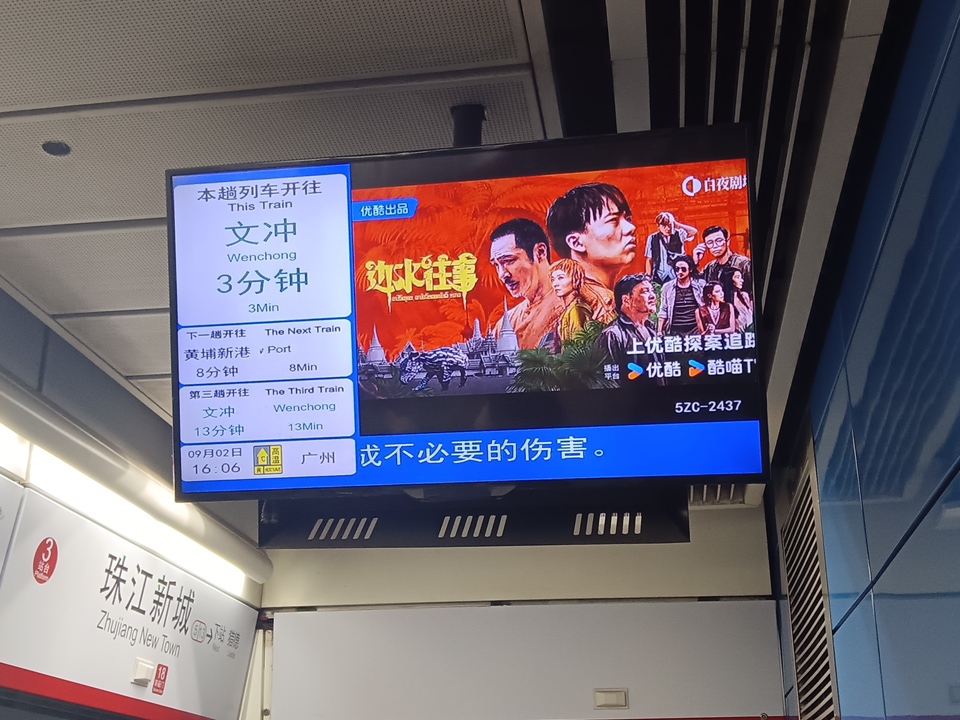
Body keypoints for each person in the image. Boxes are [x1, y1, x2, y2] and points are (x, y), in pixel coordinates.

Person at [546, 183, 637, 324]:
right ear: (576, 242)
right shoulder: (603, 304)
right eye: (613, 221)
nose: (630, 228)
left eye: (628, 219)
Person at [489, 218, 564, 349]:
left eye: (509, 261)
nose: (502, 274)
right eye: (496, 265)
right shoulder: (506, 323)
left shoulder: (571, 305)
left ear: (540, 252)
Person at [596, 274, 664, 385]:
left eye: (652, 291)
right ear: (626, 300)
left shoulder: (651, 329)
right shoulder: (612, 335)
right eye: (645, 291)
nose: (652, 296)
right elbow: (607, 380)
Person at [644, 211, 701, 286]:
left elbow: (694, 231)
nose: (667, 228)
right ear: (658, 226)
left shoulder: (679, 234)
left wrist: (676, 224)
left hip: (676, 274)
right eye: (664, 226)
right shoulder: (652, 238)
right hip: (659, 275)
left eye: (670, 225)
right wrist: (648, 277)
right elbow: (649, 259)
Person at [549, 258, 594, 350]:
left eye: (561, 278)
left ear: (575, 279)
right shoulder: (569, 309)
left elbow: (578, 348)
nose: (555, 284)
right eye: (553, 279)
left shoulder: (576, 310)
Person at [701, 225, 752, 303]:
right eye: (710, 243)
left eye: (719, 241)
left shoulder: (744, 264)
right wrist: (695, 261)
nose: (715, 246)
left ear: (727, 242)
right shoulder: (709, 268)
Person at [658, 255, 705, 336]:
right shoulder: (667, 287)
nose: (680, 272)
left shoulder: (700, 285)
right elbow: (663, 310)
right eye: (677, 269)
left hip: (696, 329)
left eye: (683, 269)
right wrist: (659, 330)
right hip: (675, 330)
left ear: (690, 269)